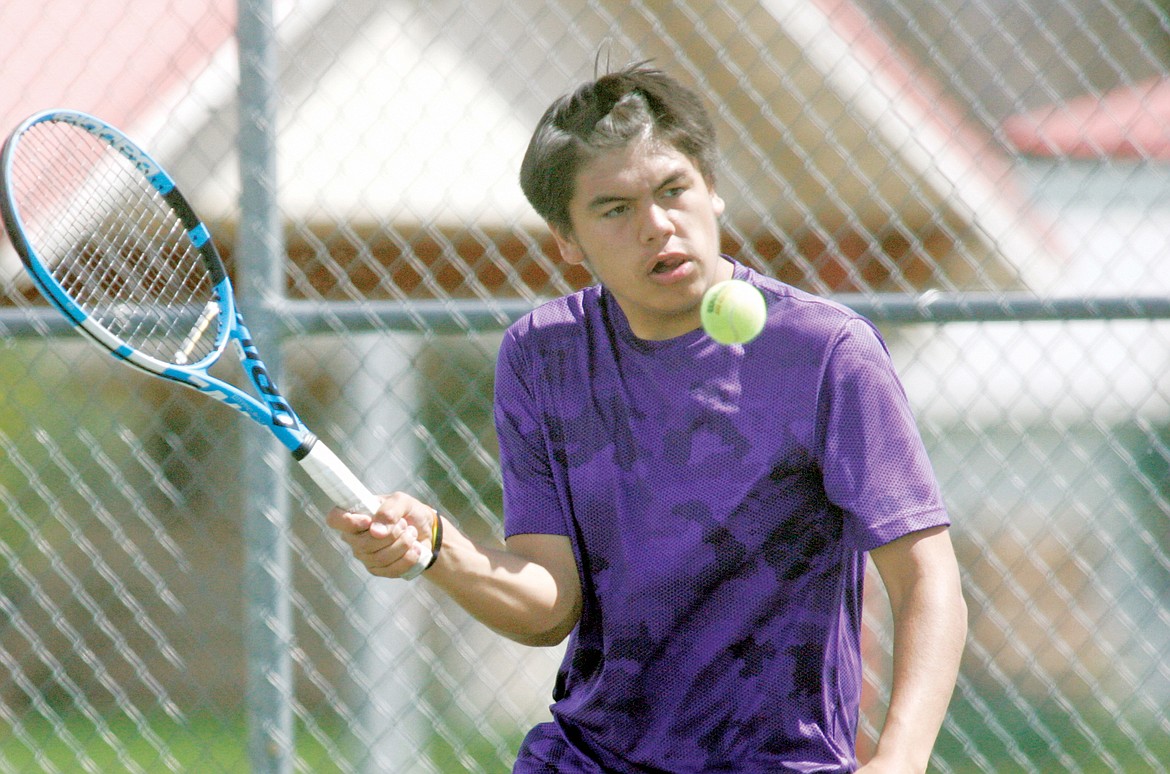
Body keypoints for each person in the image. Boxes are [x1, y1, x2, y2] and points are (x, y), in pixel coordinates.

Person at [327, 62, 968, 773]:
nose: (657, 225)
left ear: (713, 191)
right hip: (590, 757)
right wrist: (437, 549)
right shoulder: (543, 357)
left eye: (673, 191)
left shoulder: (826, 353)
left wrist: (900, 761)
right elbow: (549, 605)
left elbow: (926, 580)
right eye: (615, 209)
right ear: (566, 240)